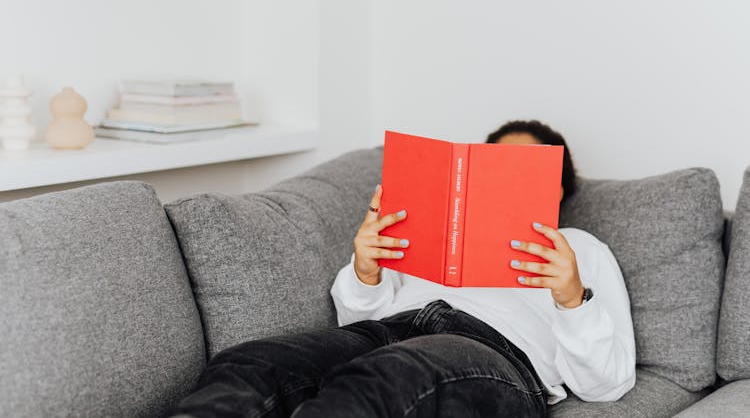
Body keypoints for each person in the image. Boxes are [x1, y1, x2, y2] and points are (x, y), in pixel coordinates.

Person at [169, 120, 636, 418]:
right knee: (252, 362)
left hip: (494, 356)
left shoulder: (582, 250)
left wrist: (572, 300)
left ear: (556, 189)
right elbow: (356, 325)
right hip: (390, 331)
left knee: (384, 378)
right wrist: (367, 269)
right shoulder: (442, 231)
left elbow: (609, 385)